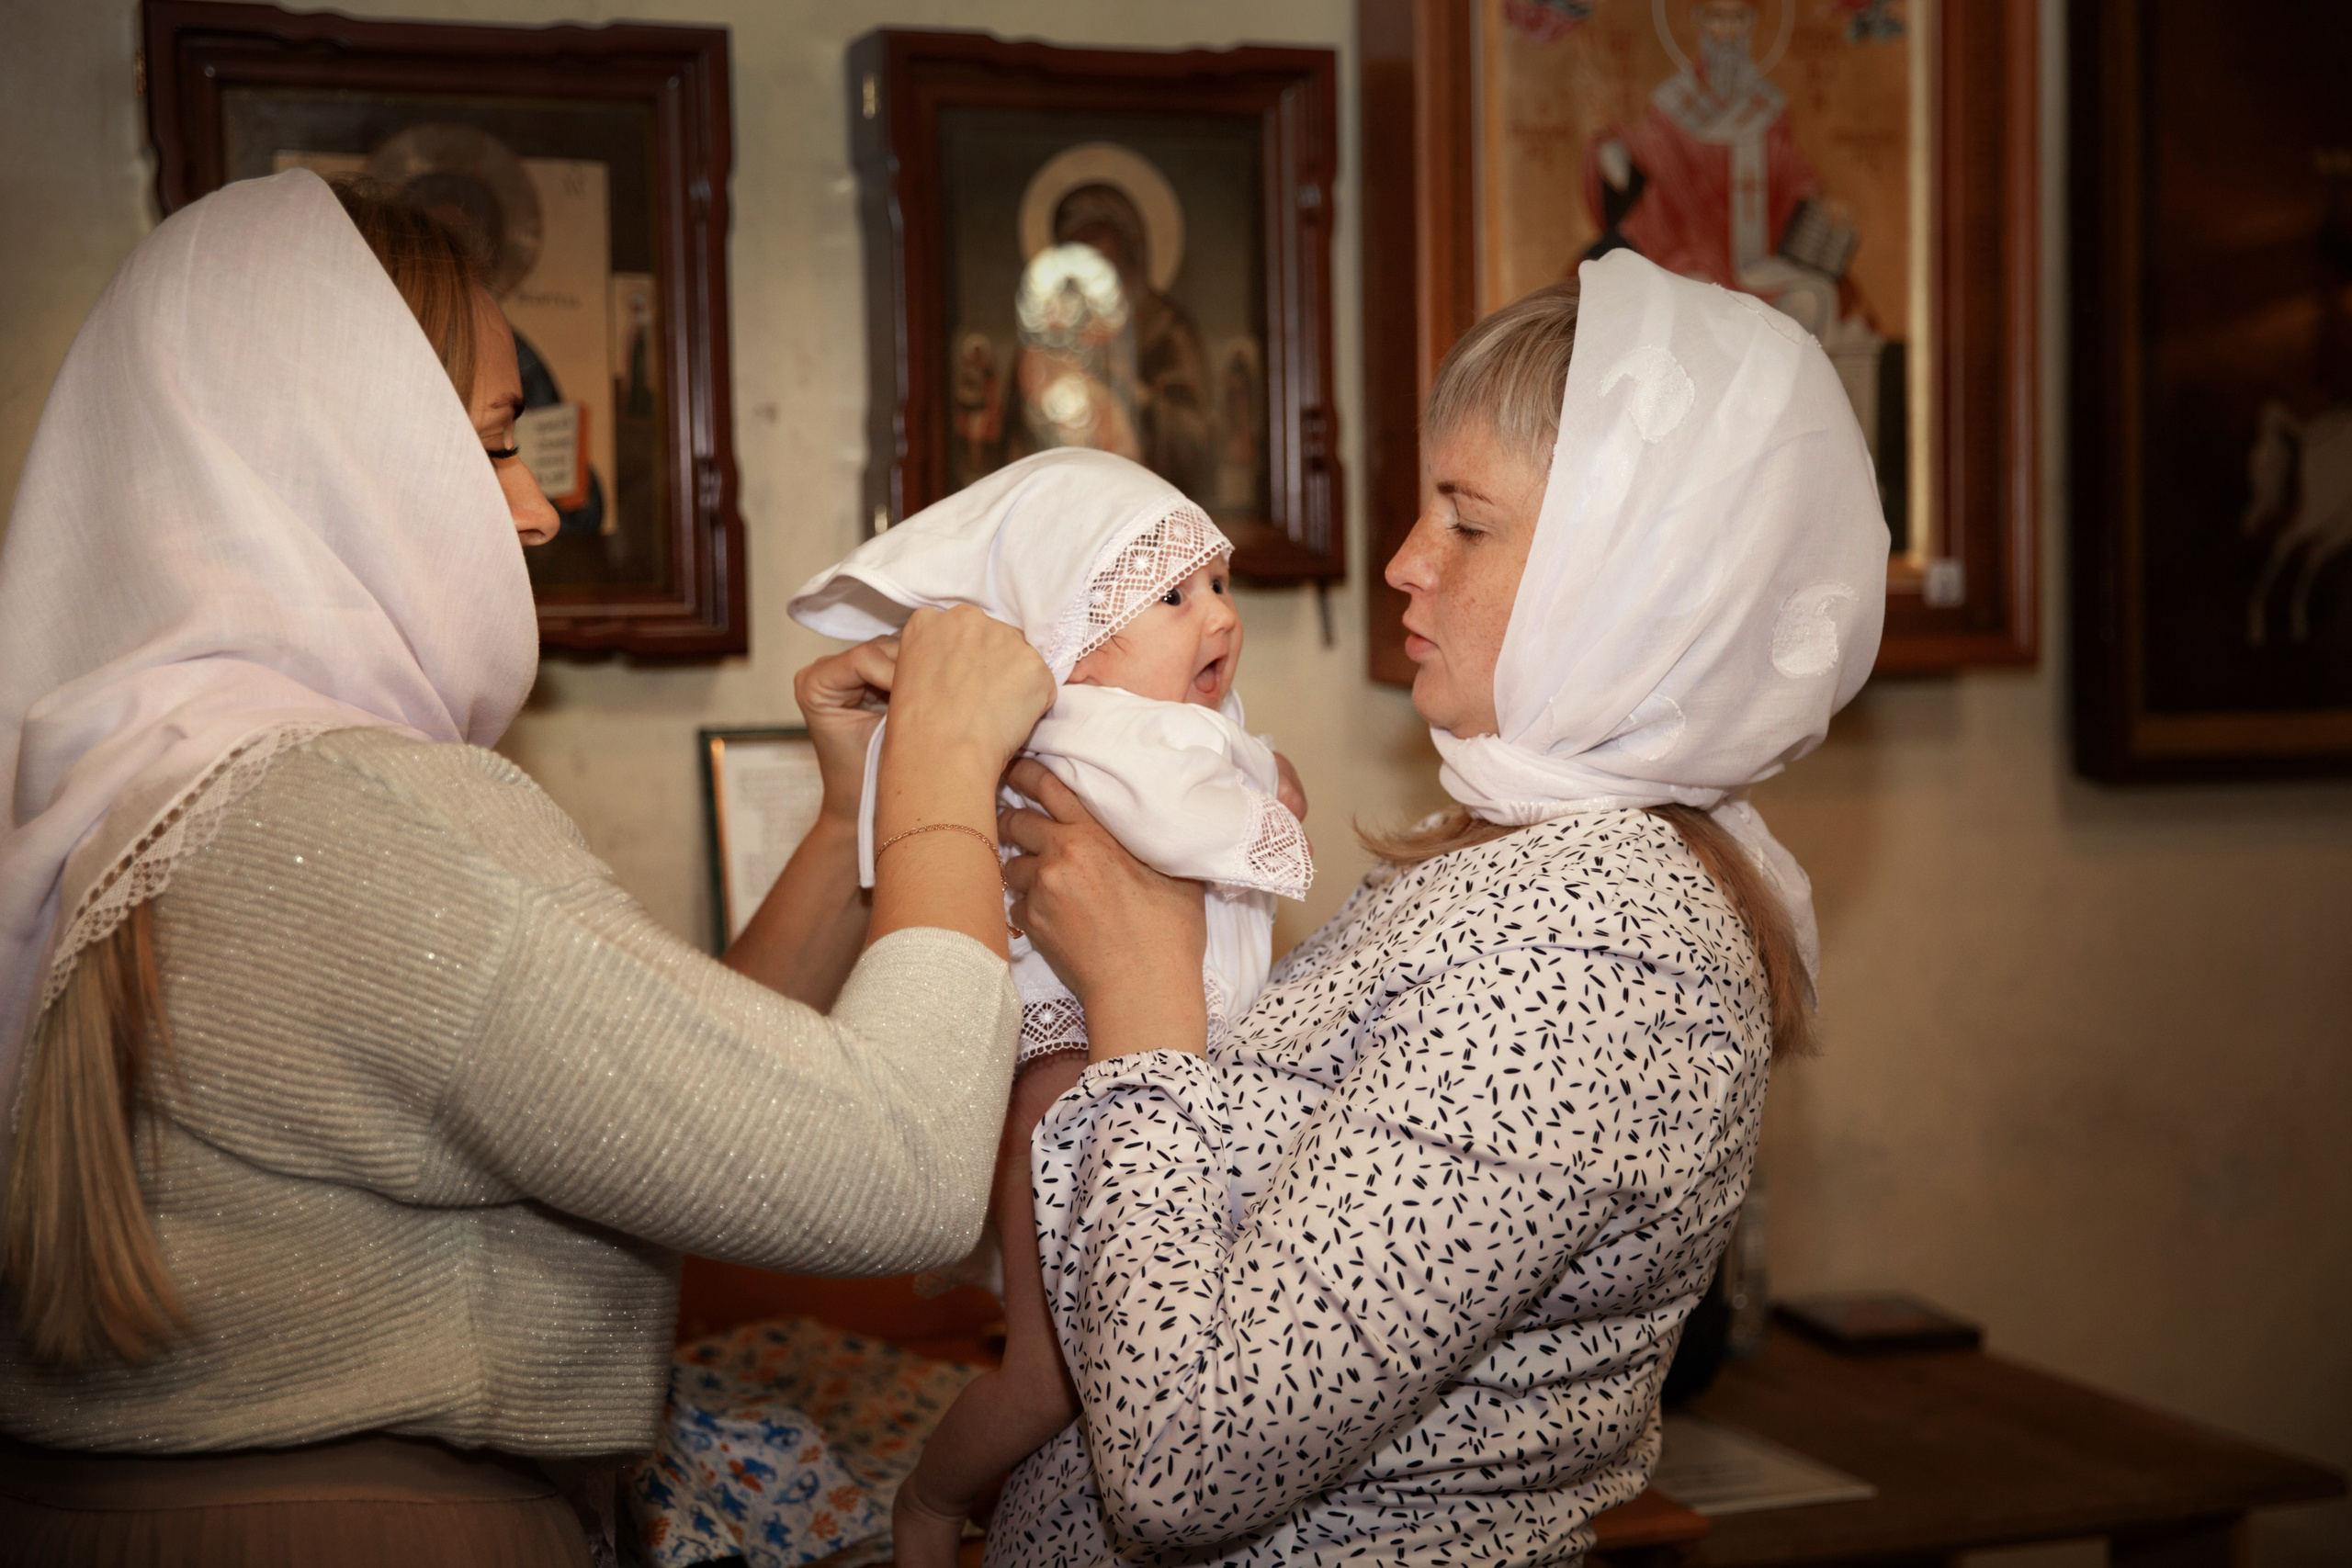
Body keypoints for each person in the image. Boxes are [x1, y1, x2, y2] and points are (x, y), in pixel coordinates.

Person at [0, 169, 1049, 1565]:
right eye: (494, 444)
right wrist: (944, 783)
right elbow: (897, 1169)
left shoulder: (143, 778)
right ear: (339, 459)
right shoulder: (362, 813)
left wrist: (850, 818)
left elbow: (659, 1111)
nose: (542, 507)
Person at [978, 248, 1888, 1564]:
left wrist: (1139, 991)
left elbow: (1189, 1457)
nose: (1405, 561)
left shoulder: (1597, 948)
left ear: (1633, 578)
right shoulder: (1529, 869)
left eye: (1467, 521)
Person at [782, 449, 1312, 1567]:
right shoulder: (1095, 729)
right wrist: (1273, 809)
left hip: (1149, 1075)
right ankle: (928, 1505)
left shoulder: (1159, 723)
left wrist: (1258, 779)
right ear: (1068, 638)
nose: (1215, 616)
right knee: (1050, 1375)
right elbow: (1188, 827)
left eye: (1219, 584)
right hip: (1068, 1082)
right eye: (1171, 597)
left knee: (1125, 1351)